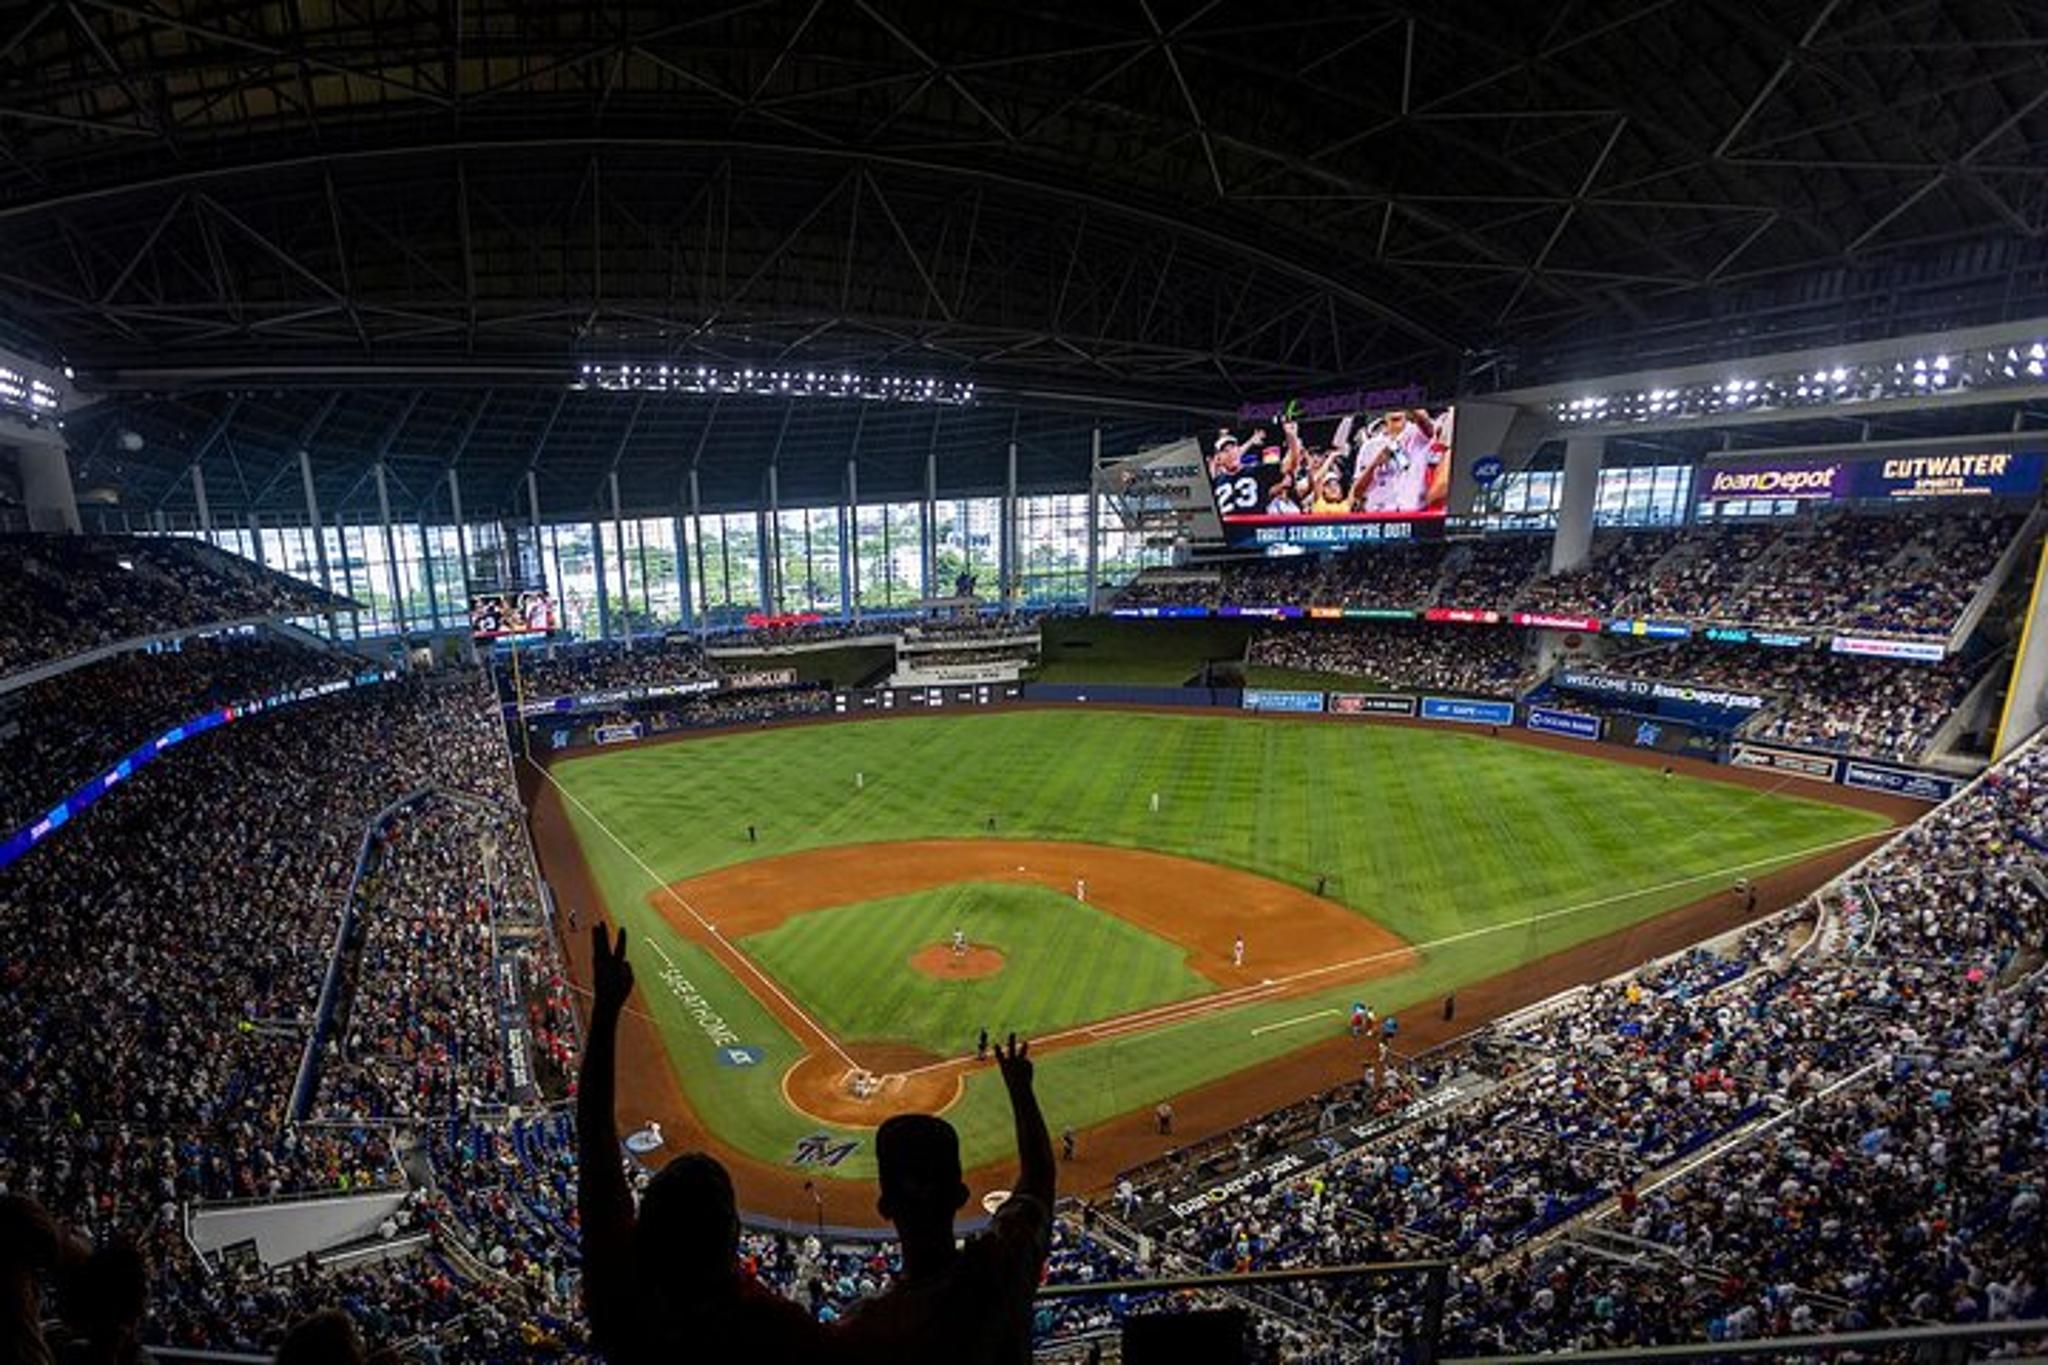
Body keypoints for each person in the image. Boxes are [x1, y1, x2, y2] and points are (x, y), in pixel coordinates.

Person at [577, 925, 829, 1362]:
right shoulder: (767, 1324)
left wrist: (605, 1013)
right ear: (733, 1236)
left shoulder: (620, 1295)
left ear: (645, 1231)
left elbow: (595, 1143)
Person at [840, 1034, 1052, 1365]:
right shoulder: (1002, 1269)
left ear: (884, 1206)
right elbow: (1038, 1179)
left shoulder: (869, 1324)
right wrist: (1020, 1089)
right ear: (960, 1196)